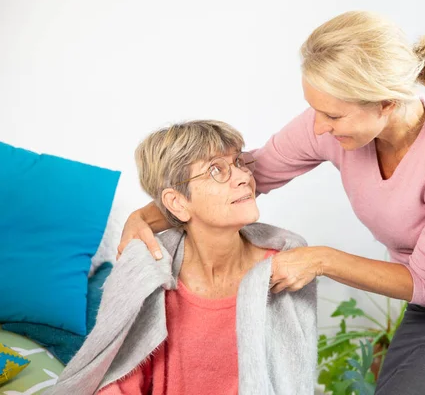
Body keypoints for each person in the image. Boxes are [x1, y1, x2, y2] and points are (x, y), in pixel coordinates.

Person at [118, 11, 425, 394]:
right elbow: (251, 174)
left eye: (333, 116)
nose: (319, 127)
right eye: (314, 109)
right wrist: (151, 214)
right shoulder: (331, 122)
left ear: (386, 103)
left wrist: (320, 259)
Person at [47, 121, 317, 395]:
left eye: (238, 162)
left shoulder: (287, 267)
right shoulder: (148, 277)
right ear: (177, 203)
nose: (243, 177)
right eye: (216, 170)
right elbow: (117, 376)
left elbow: (293, 377)